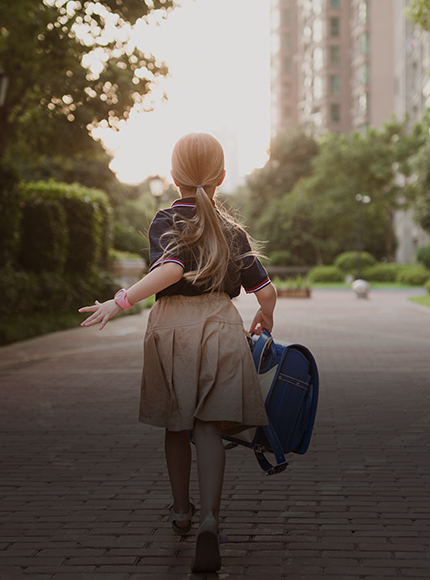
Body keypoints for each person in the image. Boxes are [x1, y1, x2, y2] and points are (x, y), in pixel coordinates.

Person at [79, 132, 277, 573]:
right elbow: (265, 290)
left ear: (173, 177)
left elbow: (170, 269)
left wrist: (122, 300)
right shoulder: (233, 231)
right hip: (223, 326)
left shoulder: (168, 219)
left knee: (176, 425)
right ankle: (210, 518)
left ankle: (182, 512)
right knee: (209, 426)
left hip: (172, 327)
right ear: (222, 177)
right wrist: (266, 317)